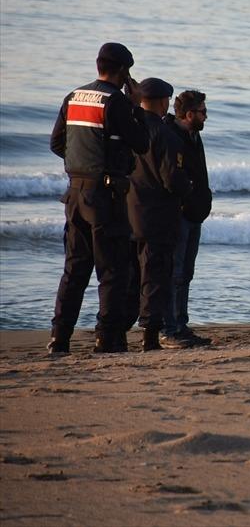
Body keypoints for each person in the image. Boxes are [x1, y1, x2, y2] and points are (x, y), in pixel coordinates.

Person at [48, 42, 150, 354]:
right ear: (122, 71)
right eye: (127, 73)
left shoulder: (74, 96)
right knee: (113, 270)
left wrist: (82, 163)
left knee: (74, 270)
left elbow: (56, 143)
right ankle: (108, 338)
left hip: (75, 194)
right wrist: (136, 107)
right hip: (105, 196)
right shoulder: (117, 101)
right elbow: (142, 143)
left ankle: (59, 339)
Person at [123, 77, 191, 351]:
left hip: (127, 213)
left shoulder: (128, 130)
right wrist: (188, 187)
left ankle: (115, 330)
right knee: (155, 276)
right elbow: (171, 179)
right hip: (158, 216)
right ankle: (150, 336)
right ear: (163, 103)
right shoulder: (165, 135)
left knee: (129, 277)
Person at [162, 89, 213, 348]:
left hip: (195, 213)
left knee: (185, 274)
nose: (206, 116)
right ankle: (169, 328)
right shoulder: (171, 135)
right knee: (175, 272)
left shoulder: (194, 135)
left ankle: (181, 324)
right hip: (178, 214)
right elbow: (171, 177)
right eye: (203, 112)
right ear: (189, 114)